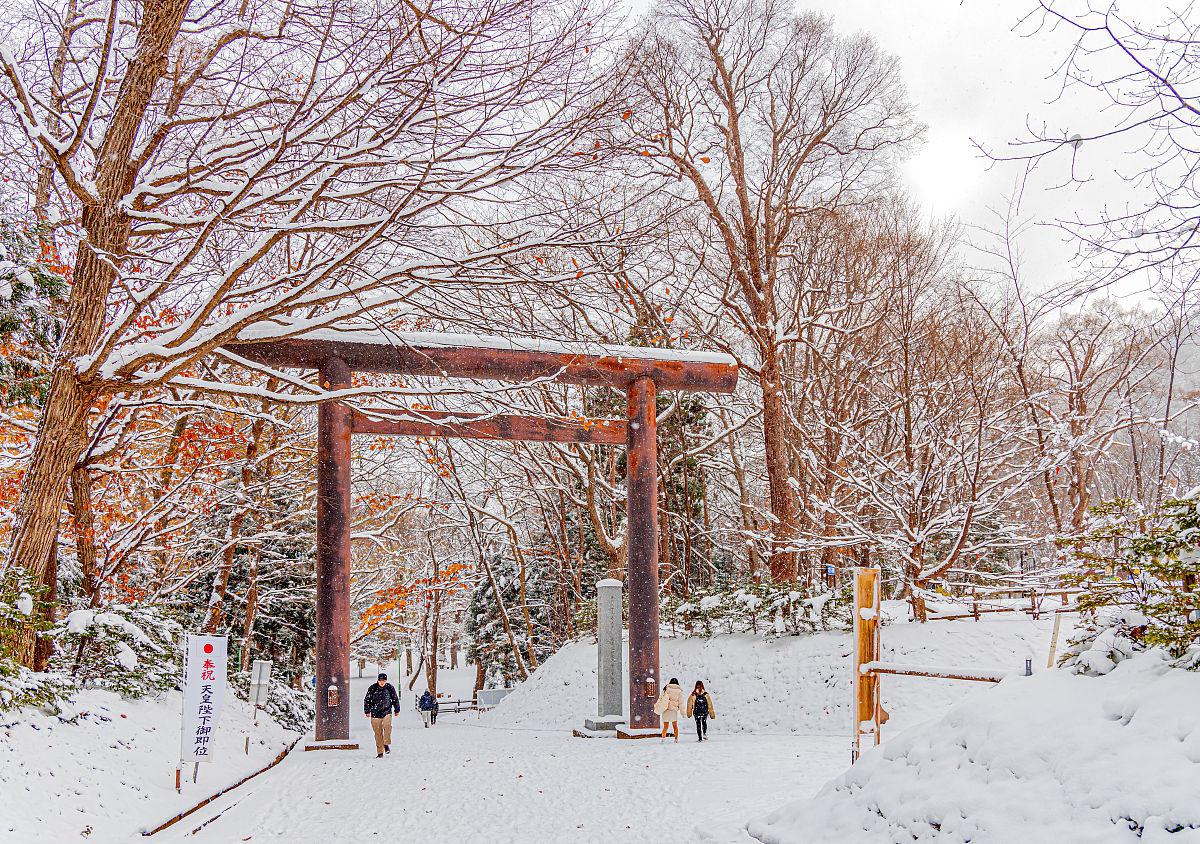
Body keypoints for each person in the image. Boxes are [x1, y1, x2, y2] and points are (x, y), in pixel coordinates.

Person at [363, 673, 400, 758]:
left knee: (387, 726)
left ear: (386, 681)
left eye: (384, 680)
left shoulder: (389, 688)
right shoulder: (372, 688)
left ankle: (386, 743)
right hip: (375, 713)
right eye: (380, 680)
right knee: (378, 734)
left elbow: (395, 698)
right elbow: (367, 700)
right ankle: (380, 753)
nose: (382, 682)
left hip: (387, 711)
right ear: (378, 680)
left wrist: (397, 709)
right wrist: (367, 711)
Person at [655, 678, 685, 742]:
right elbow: (681, 703)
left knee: (665, 726)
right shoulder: (679, 691)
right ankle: (676, 739)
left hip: (666, 709)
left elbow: (660, 698)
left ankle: (663, 738)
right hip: (673, 710)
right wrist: (683, 713)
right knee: (675, 726)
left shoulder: (666, 689)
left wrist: (656, 706)